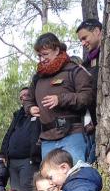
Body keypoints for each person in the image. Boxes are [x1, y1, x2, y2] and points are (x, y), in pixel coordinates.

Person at [24, 32, 96, 165]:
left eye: (45, 54)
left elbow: (87, 97)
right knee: (50, 181)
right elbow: (28, 99)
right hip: (46, 139)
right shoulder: (38, 77)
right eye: (39, 56)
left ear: (57, 50)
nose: (42, 59)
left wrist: (61, 99)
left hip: (73, 134)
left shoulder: (74, 70)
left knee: (75, 175)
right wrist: (30, 108)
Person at [0, 87, 42, 191]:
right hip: (12, 161)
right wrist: (3, 154)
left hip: (29, 159)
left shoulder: (39, 111)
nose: (23, 98)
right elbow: (8, 135)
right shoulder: (18, 116)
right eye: (21, 97)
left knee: (27, 190)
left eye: (25, 95)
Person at [75, 18, 103, 139]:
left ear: (97, 31)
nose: (83, 43)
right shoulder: (87, 62)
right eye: (81, 40)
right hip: (95, 122)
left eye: (84, 38)